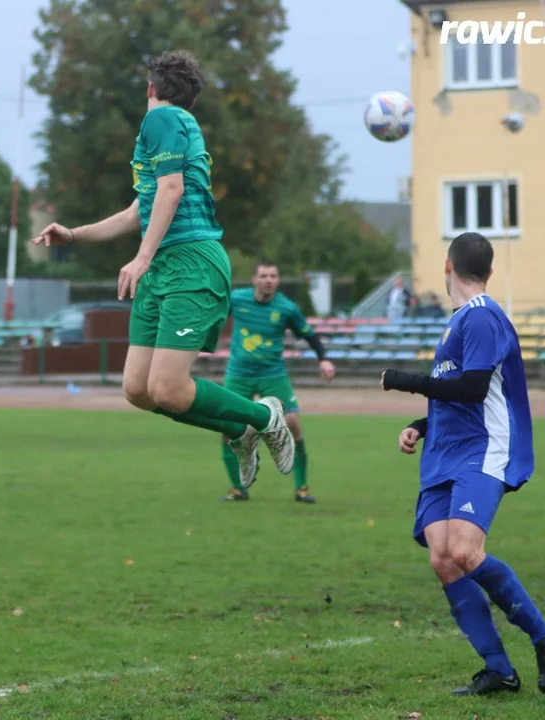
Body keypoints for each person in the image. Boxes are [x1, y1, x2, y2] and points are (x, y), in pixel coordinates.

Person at [31, 50, 295, 486]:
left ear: (151, 89)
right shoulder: (170, 130)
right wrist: (73, 234)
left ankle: (264, 415)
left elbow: (171, 192)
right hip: (164, 271)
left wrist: (142, 257)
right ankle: (239, 429)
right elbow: (139, 211)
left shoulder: (161, 120)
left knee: (169, 389)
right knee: (138, 390)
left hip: (191, 263)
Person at [380, 231, 545, 696]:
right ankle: (499, 670)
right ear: (488, 269)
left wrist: (404, 380)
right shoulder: (459, 320)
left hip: (480, 451)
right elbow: (457, 396)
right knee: (443, 559)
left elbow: (475, 388)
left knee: (464, 551)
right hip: (444, 451)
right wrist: (421, 426)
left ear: (447, 266)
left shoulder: (481, 317)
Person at [219, 261, 335, 503]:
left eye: (273, 276)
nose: (268, 280)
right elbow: (213, 314)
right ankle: (238, 488)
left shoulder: (287, 308)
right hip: (239, 373)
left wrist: (323, 359)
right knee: (227, 429)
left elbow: (309, 335)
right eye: (263, 276)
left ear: (278, 280)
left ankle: (301, 488)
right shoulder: (237, 300)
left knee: (292, 423)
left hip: (273, 374)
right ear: (254, 280)